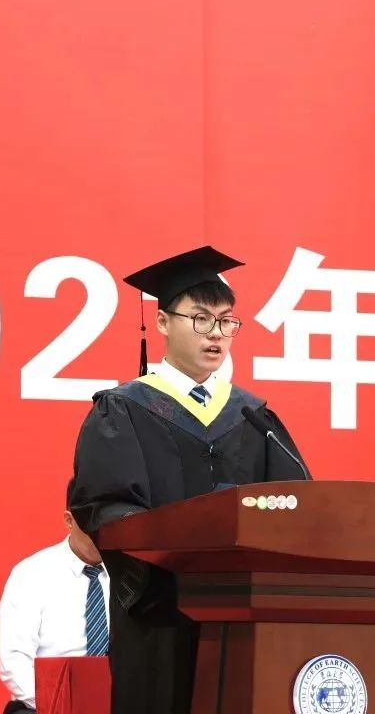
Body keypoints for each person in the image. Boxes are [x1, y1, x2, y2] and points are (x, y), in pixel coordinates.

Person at [68, 246, 310, 714]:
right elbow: (104, 506)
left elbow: (294, 502)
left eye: (226, 321)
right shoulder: (124, 410)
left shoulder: (252, 416)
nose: (216, 333)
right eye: (200, 319)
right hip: (160, 617)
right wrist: (174, 558)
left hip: (243, 619)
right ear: (162, 322)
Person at [0, 490, 109, 714]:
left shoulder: (129, 575)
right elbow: (14, 661)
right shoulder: (31, 574)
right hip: (48, 705)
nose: (100, 538)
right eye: (91, 529)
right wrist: (61, 706)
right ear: (69, 520)